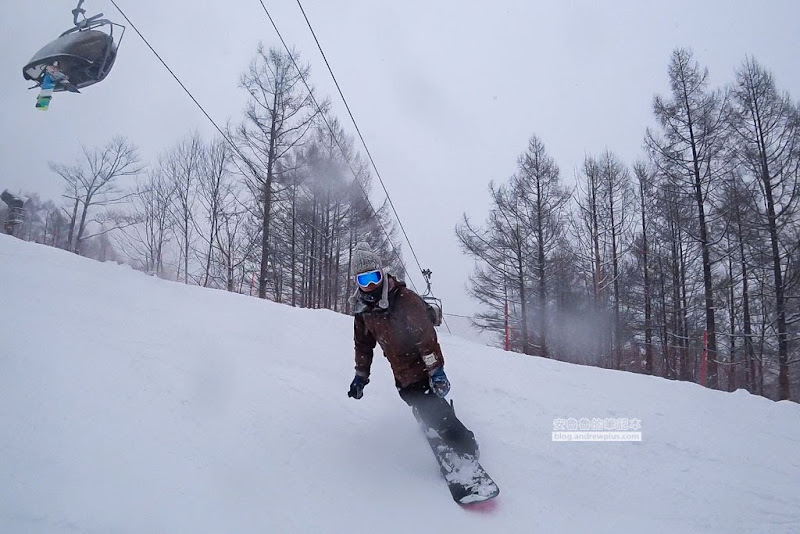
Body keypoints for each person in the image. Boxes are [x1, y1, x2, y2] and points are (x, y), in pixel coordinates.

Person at [346, 241, 479, 458]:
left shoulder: (405, 300)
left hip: (420, 360)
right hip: (399, 367)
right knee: (410, 396)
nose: (370, 285)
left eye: (374, 277)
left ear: (382, 274)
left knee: (429, 403)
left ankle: (466, 447)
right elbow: (363, 345)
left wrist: (436, 372)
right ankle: (430, 418)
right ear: (356, 282)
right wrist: (361, 376)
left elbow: (426, 340)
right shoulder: (362, 311)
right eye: (364, 279)